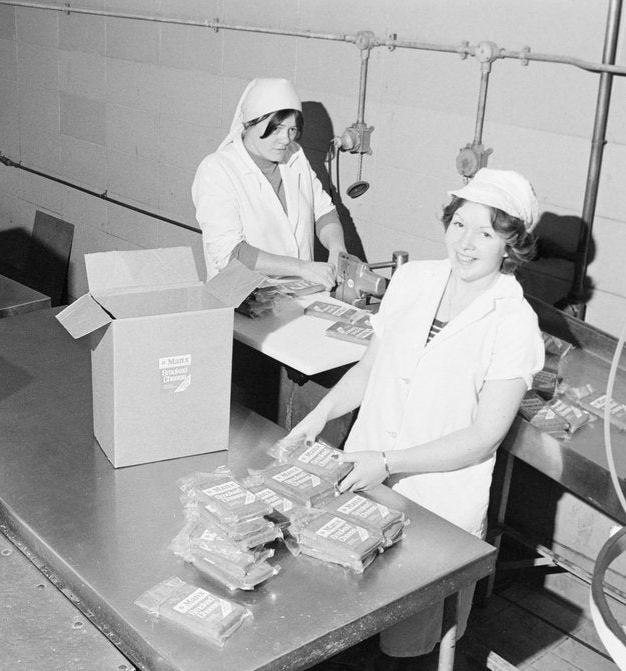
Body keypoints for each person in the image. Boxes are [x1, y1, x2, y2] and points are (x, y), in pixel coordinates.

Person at [287, 168, 546, 664]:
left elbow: (484, 436)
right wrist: (318, 416)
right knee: (344, 618)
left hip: (436, 501)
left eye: (486, 233)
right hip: (364, 475)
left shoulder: (514, 324)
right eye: (459, 225)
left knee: (408, 642)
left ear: (511, 245)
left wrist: (387, 460)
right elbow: (369, 369)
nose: (466, 244)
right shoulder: (413, 279)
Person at [192, 78, 348, 285]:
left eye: (292, 130)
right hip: (244, 300)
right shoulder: (217, 170)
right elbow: (229, 252)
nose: (286, 139)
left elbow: (323, 212)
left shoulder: (295, 155)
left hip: (298, 294)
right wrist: (301, 268)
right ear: (249, 123)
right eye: (277, 128)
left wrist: (337, 249)